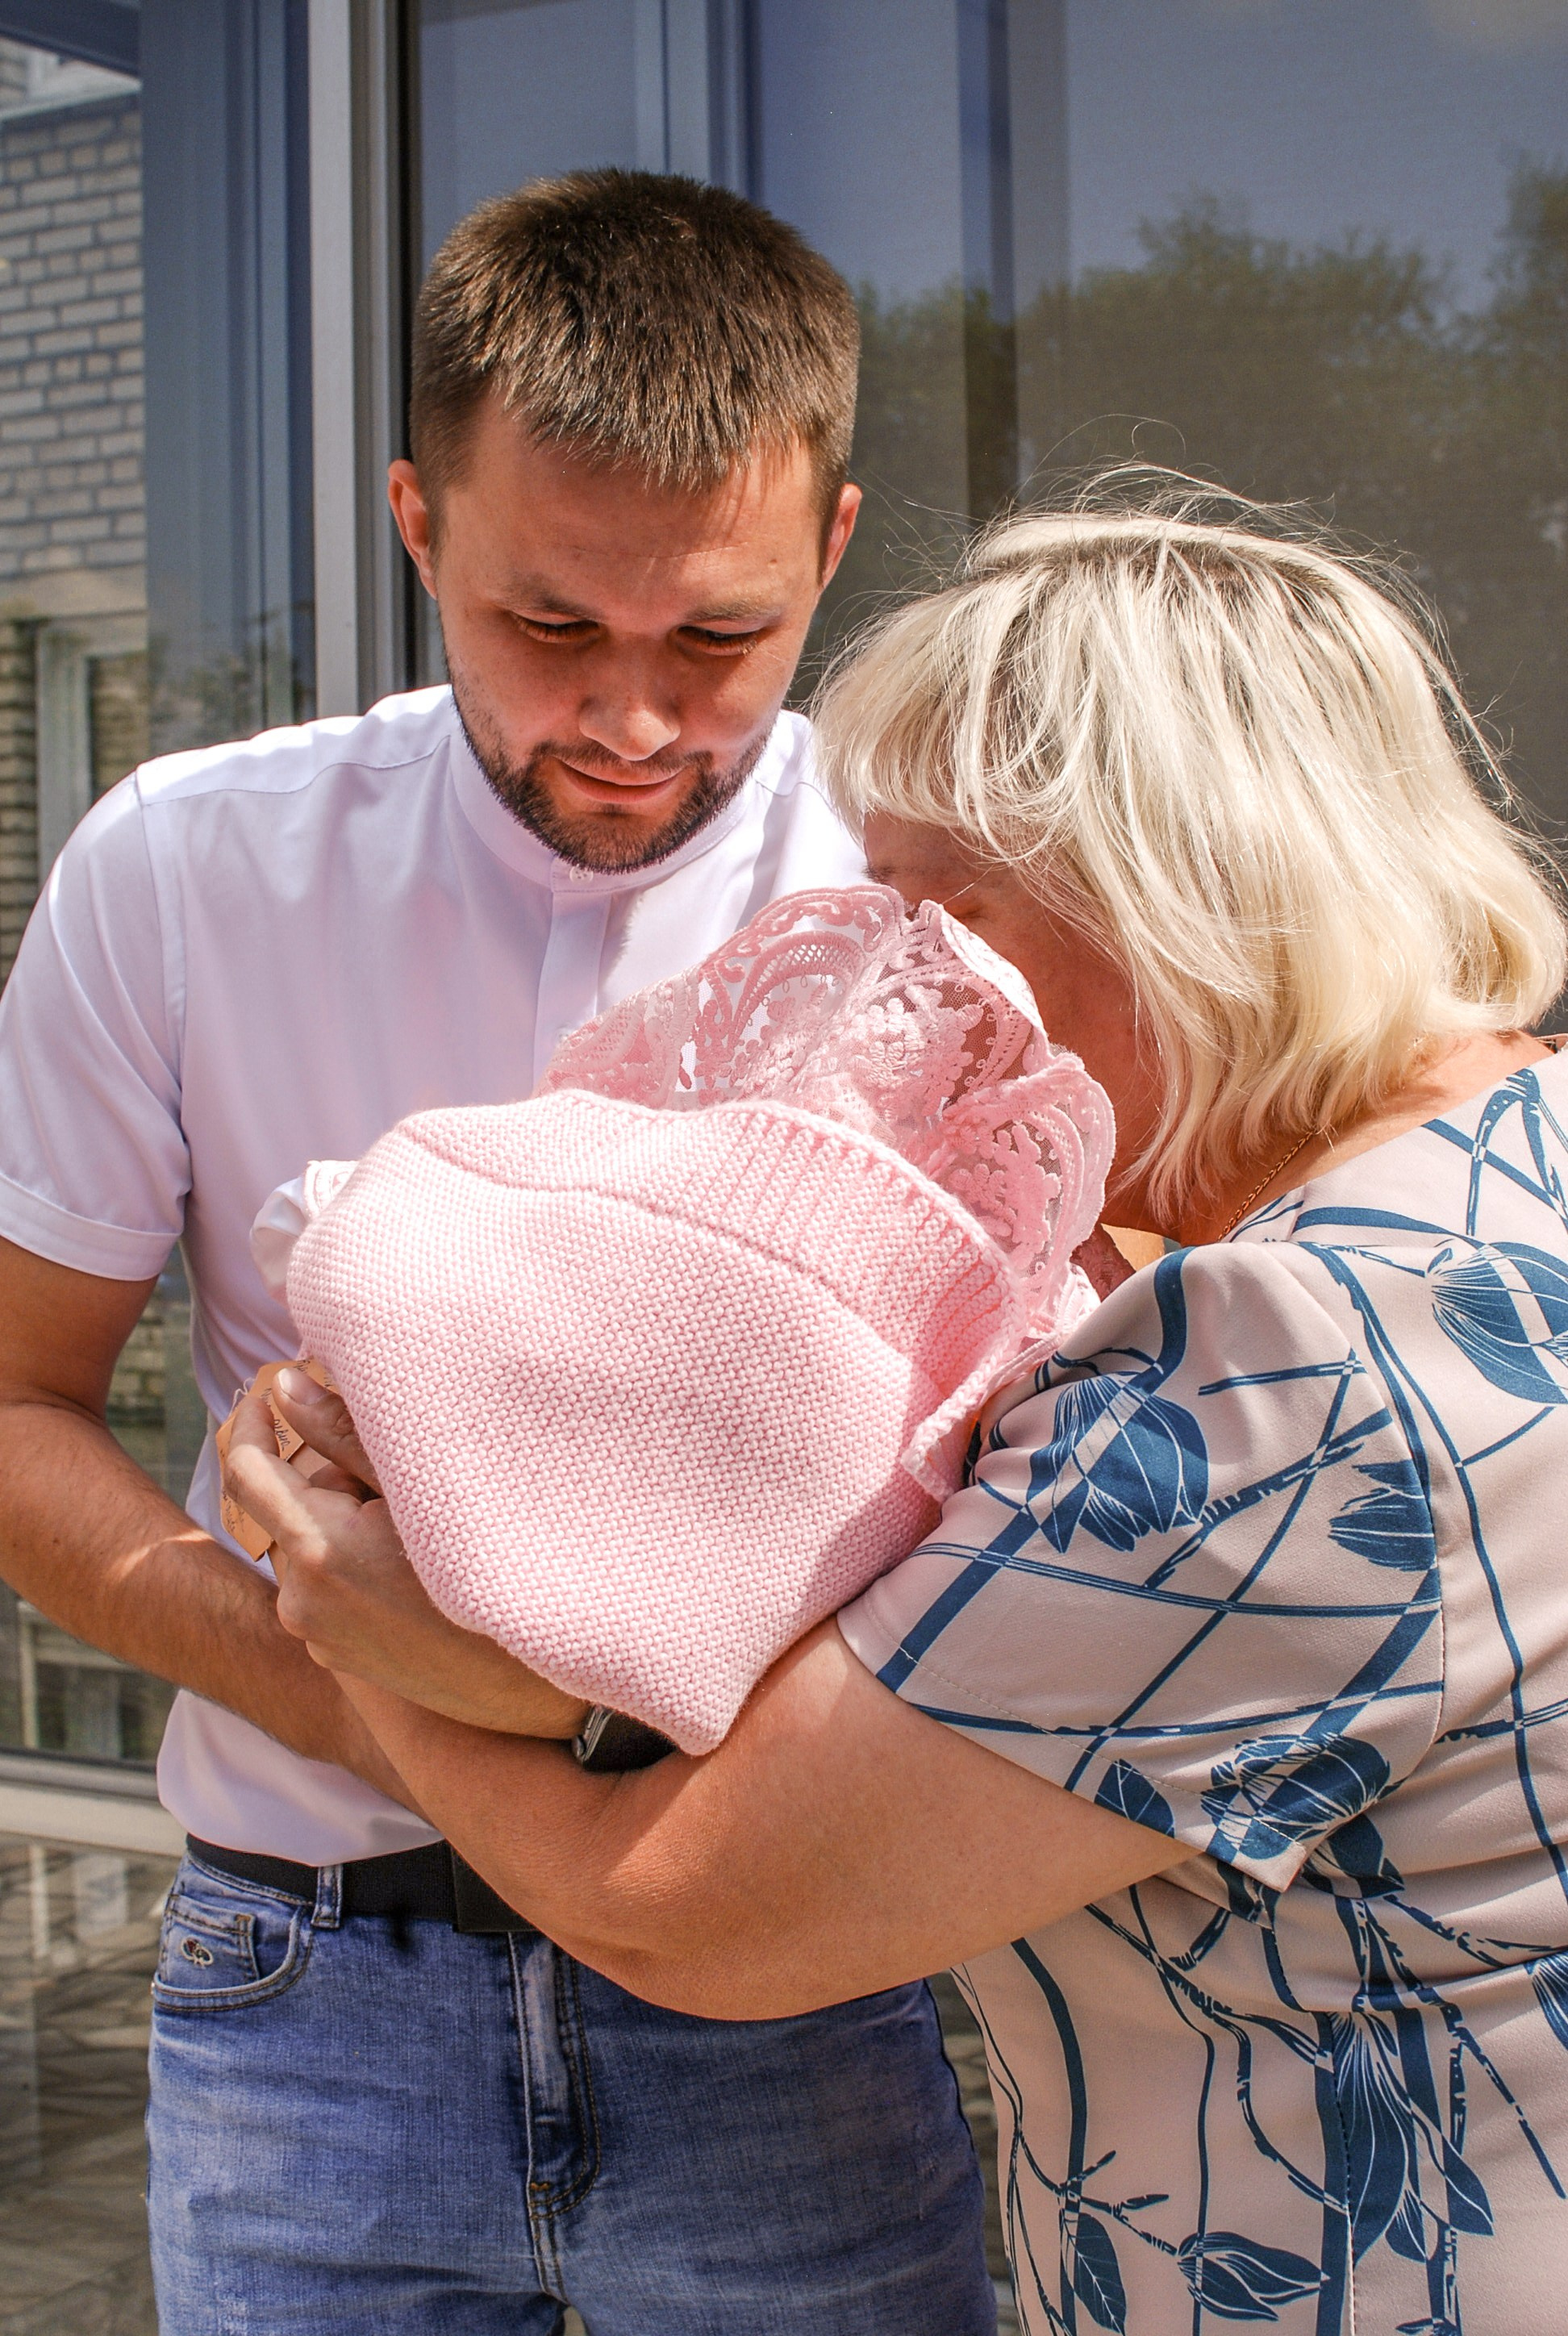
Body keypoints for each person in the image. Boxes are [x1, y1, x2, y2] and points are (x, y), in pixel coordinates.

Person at [230, 493, 1568, 2336]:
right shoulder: (1516, 1169)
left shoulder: (1295, 1359)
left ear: (1186, 878)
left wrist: (362, 1631)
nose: (896, 978)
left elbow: (699, 1909)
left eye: (943, 904)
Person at [0, 173, 1003, 2334]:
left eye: (718, 641)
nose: (635, 726)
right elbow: (13, 1408)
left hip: (793, 2001)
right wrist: (370, 1696)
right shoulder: (183, 872)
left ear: (835, 548)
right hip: (309, 1996)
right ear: (417, 522)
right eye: (551, 628)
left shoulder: (947, 904)